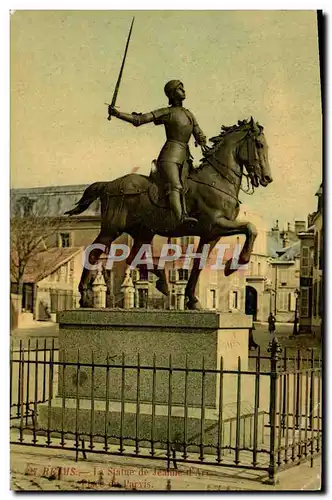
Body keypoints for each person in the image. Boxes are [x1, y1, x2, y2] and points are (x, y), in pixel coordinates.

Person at [108, 80, 208, 224]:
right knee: (175, 186)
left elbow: (197, 131)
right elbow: (139, 120)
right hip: (170, 157)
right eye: (180, 89)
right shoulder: (166, 112)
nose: (184, 91)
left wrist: (202, 139)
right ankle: (181, 219)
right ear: (172, 93)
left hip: (185, 158)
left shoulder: (189, 114)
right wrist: (117, 114)